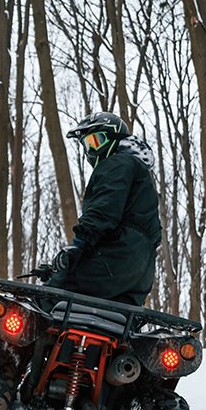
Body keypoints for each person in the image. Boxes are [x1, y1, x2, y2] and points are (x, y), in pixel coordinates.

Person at [47, 111, 161, 307]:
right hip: (140, 277)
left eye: (97, 141)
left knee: (45, 300)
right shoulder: (141, 177)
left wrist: (77, 247)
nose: (91, 150)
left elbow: (103, 210)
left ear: (115, 139)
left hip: (112, 261)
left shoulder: (118, 163)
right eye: (87, 144)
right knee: (118, 326)